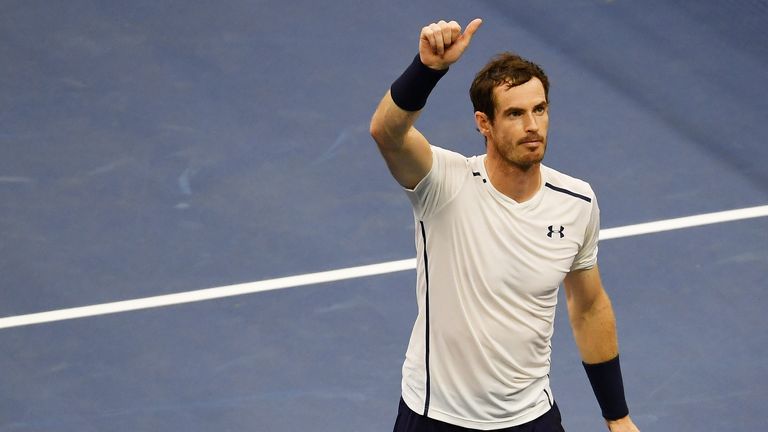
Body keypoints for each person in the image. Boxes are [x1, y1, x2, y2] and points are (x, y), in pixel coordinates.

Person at [369, 18, 640, 432]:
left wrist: (617, 415)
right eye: (515, 114)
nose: (533, 126)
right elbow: (387, 133)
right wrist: (427, 69)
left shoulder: (577, 202)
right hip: (436, 416)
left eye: (540, 109)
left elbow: (588, 307)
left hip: (531, 418)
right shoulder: (443, 182)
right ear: (484, 123)